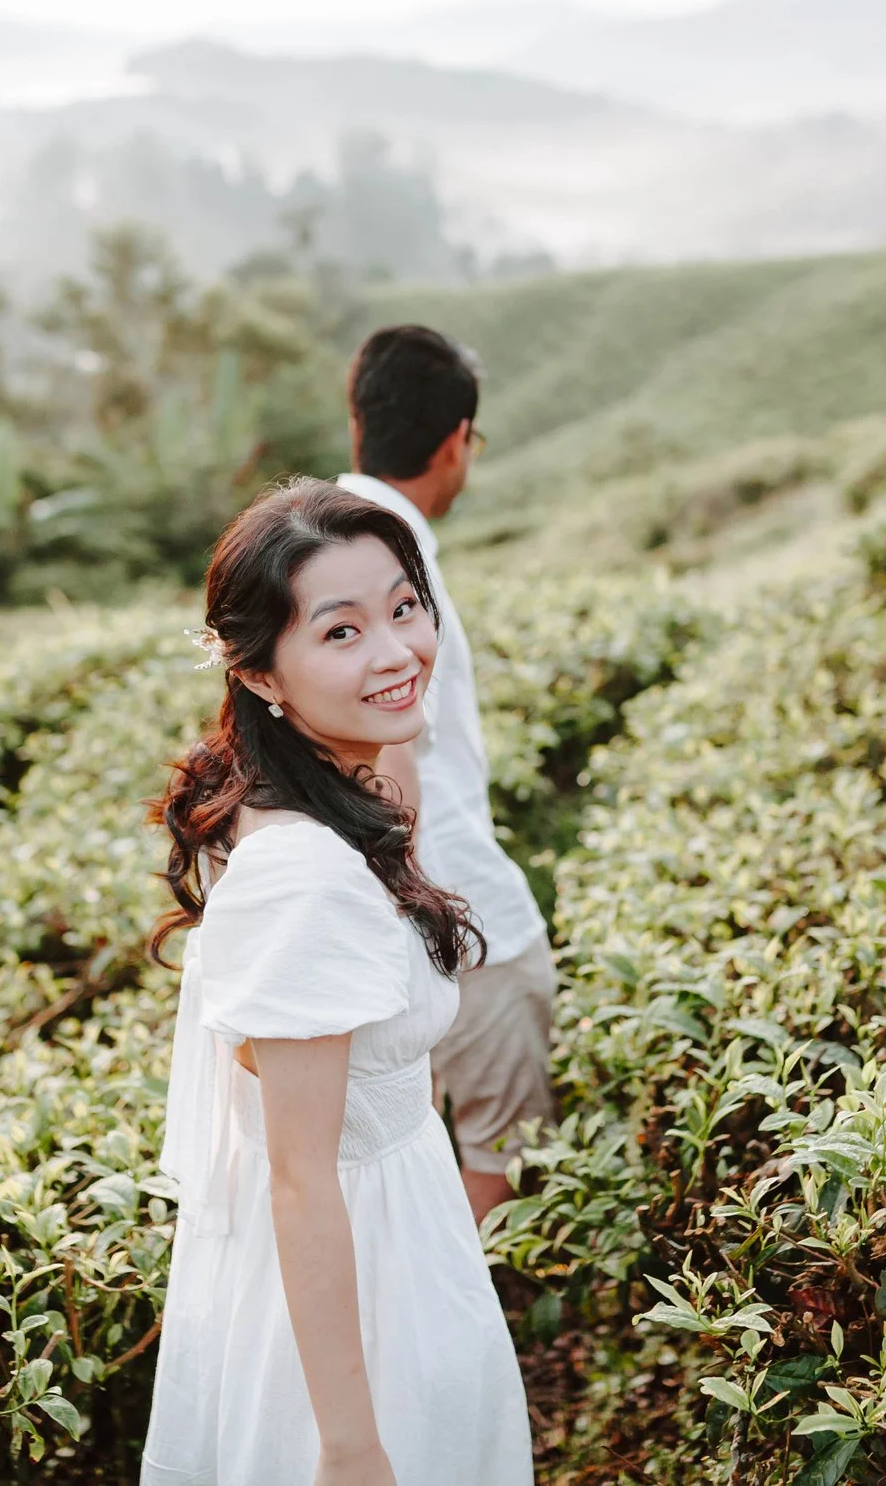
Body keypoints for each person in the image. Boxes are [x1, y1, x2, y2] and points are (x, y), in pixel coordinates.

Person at [142, 479, 534, 1486]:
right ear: (263, 672)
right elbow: (299, 1173)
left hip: (410, 1214)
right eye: (341, 630)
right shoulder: (303, 871)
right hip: (358, 1266)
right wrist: (349, 1442)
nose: (397, 651)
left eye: (405, 606)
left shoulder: (353, 770)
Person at [336, 325, 554, 1225]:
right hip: (453, 907)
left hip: (394, 909)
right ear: (457, 438)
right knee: (500, 1166)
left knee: (404, 1157)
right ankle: (449, 1343)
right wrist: (409, 903)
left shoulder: (326, 533)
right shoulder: (386, 554)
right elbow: (386, 750)